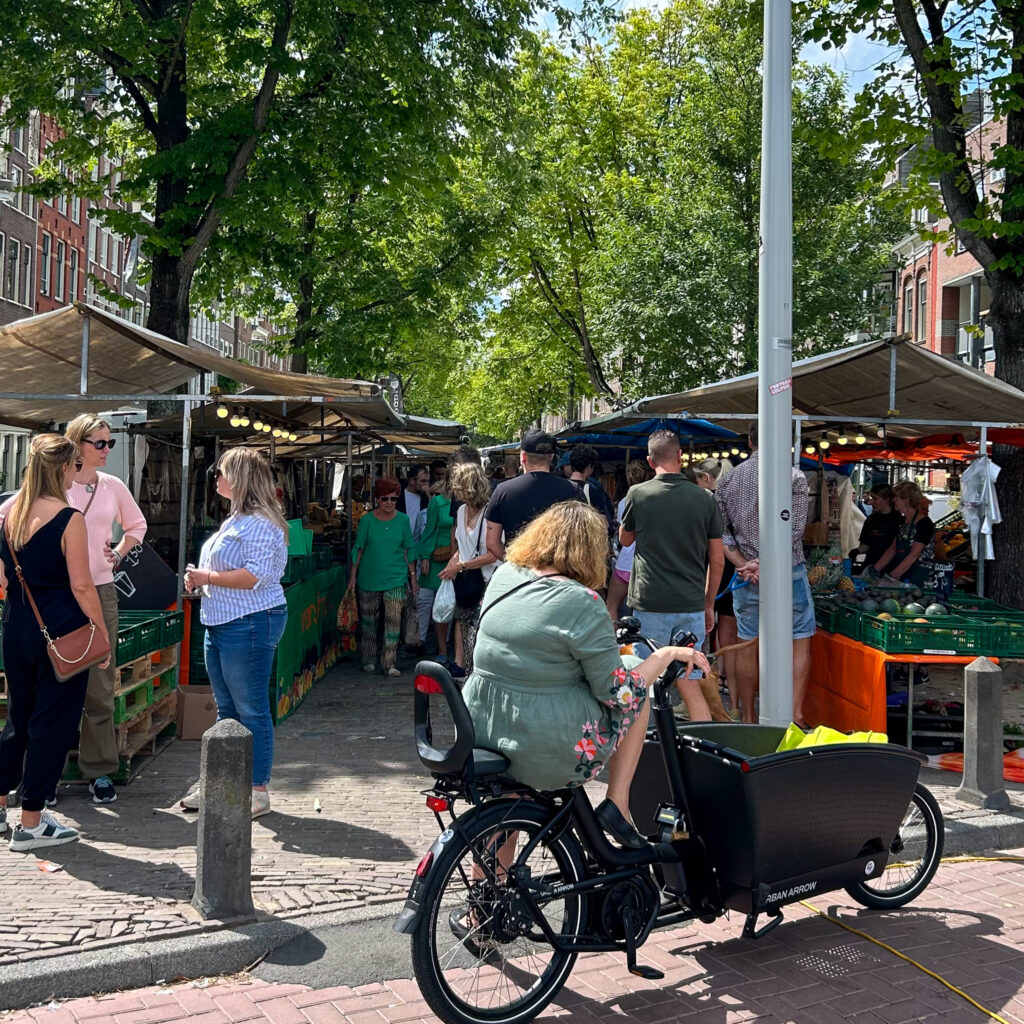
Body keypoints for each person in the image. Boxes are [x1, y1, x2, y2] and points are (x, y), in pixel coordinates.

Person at [464, 502, 710, 848]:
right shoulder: (582, 601)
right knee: (636, 689)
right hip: (542, 742)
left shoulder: (507, 575)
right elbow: (619, 693)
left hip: (484, 724)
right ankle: (618, 803)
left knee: (507, 805)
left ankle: (488, 895)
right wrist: (665, 654)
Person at [0, 435, 110, 850]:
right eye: (75, 466)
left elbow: (4, 579)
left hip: (16, 624)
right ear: (64, 469)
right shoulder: (69, 518)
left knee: (19, 718)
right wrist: (100, 636)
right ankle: (30, 822)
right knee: (52, 723)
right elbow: (83, 587)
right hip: (61, 629)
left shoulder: (11, 516)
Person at [182, 448, 288, 818]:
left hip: (250, 620)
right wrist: (201, 579)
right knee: (227, 707)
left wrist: (207, 577)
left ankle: (257, 789)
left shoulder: (259, 522)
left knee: (250, 707)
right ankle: (220, 781)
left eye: (222, 472)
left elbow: (256, 575)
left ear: (240, 479)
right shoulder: (237, 519)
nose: (216, 478)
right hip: (224, 619)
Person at [63, 414, 148, 806]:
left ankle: (98, 771)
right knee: (55, 682)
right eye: (99, 443)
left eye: (109, 443)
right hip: (58, 592)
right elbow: (8, 516)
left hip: (100, 589)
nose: (106, 450)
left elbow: (137, 525)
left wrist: (117, 552)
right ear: (76, 443)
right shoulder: (52, 482)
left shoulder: (112, 486)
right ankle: (46, 772)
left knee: (99, 682)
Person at [618, 431, 723, 722]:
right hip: (691, 603)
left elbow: (625, 540)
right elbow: (717, 558)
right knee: (690, 683)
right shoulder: (704, 498)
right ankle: (702, 750)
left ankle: (646, 748)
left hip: (650, 601)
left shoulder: (638, 494)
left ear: (650, 461)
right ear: (680, 457)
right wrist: (709, 603)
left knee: (645, 682)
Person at [714, 421, 813, 726]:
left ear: (749, 441)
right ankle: (794, 714)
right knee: (799, 638)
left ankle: (748, 715)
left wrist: (748, 563)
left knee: (747, 641)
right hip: (788, 570)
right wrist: (766, 563)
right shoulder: (794, 477)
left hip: (746, 575)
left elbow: (723, 537)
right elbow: (794, 532)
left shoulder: (728, 481)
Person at [347, 476, 418, 677]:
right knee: (369, 621)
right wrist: (352, 576)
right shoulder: (367, 520)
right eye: (384, 498)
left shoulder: (403, 520)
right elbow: (358, 550)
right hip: (369, 578)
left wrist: (413, 577)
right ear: (377, 499)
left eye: (393, 499)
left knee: (394, 621)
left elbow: (408, 550)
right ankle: (368, 658)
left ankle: (389, 662)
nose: (389, 503)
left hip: (396, 577)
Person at [485, 430, 579, 562]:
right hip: (559, 572)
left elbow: (492, 542)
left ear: (523, 456)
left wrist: (513, 562)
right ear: (551, 457)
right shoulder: (573, 490)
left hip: (519, 571)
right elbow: (580, 539)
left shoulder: (503, 491)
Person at [439, 462, 497, 677]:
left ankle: (479, 672)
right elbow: (463, 548)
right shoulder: (461, 510)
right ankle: (462, 666)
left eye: (457, 486)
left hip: (489, 580)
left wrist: (461, 565)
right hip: (466, 579)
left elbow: (495, 554)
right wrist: (452, 564)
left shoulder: (492, 511)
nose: (454, 491)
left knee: (481, 627)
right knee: (463, 622)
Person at [694, 459, 739, 714]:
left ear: (707, 478)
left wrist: (707, 598)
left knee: (702, 640)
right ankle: (732, 705)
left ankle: (701, 701)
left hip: (712, 573)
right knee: (729, 642)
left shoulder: (708, 502)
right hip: (734, 575)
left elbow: (713, 550)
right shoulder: (733, 502)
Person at [416, 476, 456, 664]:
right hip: (439, 557)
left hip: (463, 554)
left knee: (461, 605)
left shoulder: (470, 500)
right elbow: (429, 530)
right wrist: (425, 556)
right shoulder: (437, 502)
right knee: (441, 603)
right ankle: (442, 649)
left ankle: (459, 648)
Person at [605, 459, 650, 618]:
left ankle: (615, 641)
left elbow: (622, 535)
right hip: (648, 562)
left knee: (612, 606)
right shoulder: (654, 499)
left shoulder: (625, 501)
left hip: (626, 561)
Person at [872, 480, 936, 587]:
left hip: (919, 578)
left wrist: (893, 577)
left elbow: (914, 554)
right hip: (903, 575)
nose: (893, 500)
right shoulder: (901, 522)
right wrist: (874, 570)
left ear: (906, 500)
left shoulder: (924, 524)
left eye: (896, 497)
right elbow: (892, 550)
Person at [568, 444, 616, 540]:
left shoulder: (560, 486)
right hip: (585, 543)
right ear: (589, 467)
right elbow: (605, 523)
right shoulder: (593, 490)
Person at [857, 484, 903, 567]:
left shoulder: (899, 521)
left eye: (875, 498)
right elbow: (865, 545)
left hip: (892, 569)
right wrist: (852, 553)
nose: (871, 502)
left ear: (886, 499)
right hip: (870, 566)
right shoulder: (871, 519)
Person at [401, 465, 430, 546]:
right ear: (412, 481)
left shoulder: (426, 498)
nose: (426, 484)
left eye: (427, 481)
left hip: (418, 545)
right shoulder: (398, 496)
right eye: (423, 481)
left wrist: (429, 496)